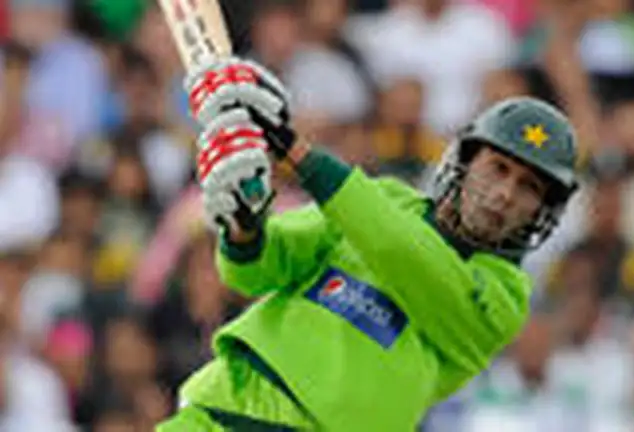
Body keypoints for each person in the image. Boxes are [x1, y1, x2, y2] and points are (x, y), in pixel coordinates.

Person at [156, 58, 580, 431]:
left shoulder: (505, 296)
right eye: (498, 168)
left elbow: (403, 253)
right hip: (225, 401)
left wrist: (294, 149)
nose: (505, 194)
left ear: (542, 211)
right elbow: (253, 273)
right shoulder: (385, 198)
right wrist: (244, 228)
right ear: (466, 162)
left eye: (529, 187)